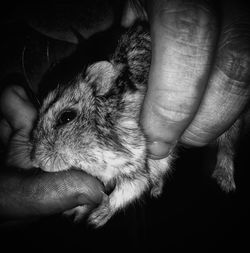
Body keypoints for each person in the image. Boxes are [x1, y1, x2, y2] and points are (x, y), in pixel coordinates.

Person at [0, 0, 250, 220]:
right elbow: (130, 174)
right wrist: (110, 205)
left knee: (226, 110)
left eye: (66, 117)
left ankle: (226, 157)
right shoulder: (101, 150)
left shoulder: (113, 104)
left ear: (101, 89)